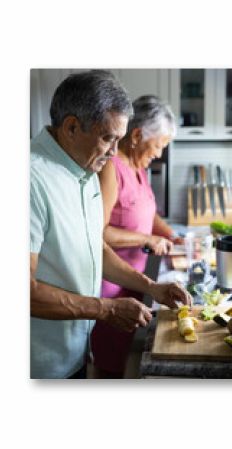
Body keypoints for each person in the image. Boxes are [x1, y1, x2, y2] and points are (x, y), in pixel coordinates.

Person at [30, 70, 191, 379]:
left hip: (74, 352)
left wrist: (151, 287)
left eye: (118, 140)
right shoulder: (31, 178)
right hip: (38, 366)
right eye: (108, 138)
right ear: (72, 127)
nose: (115, 152)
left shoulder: (85, 170)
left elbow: (95, 248)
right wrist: (106, 309)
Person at [91, 95, 184, 378]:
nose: (159, 154)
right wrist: (147, 240)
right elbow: (99, 232)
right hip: (111, 284)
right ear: (136, 135)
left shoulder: (139, 168)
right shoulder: (111, 167)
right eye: (159, 146)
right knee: (109, 364)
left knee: (123, 357)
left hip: (134, 280)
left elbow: (145, 212)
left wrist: (170, 235)